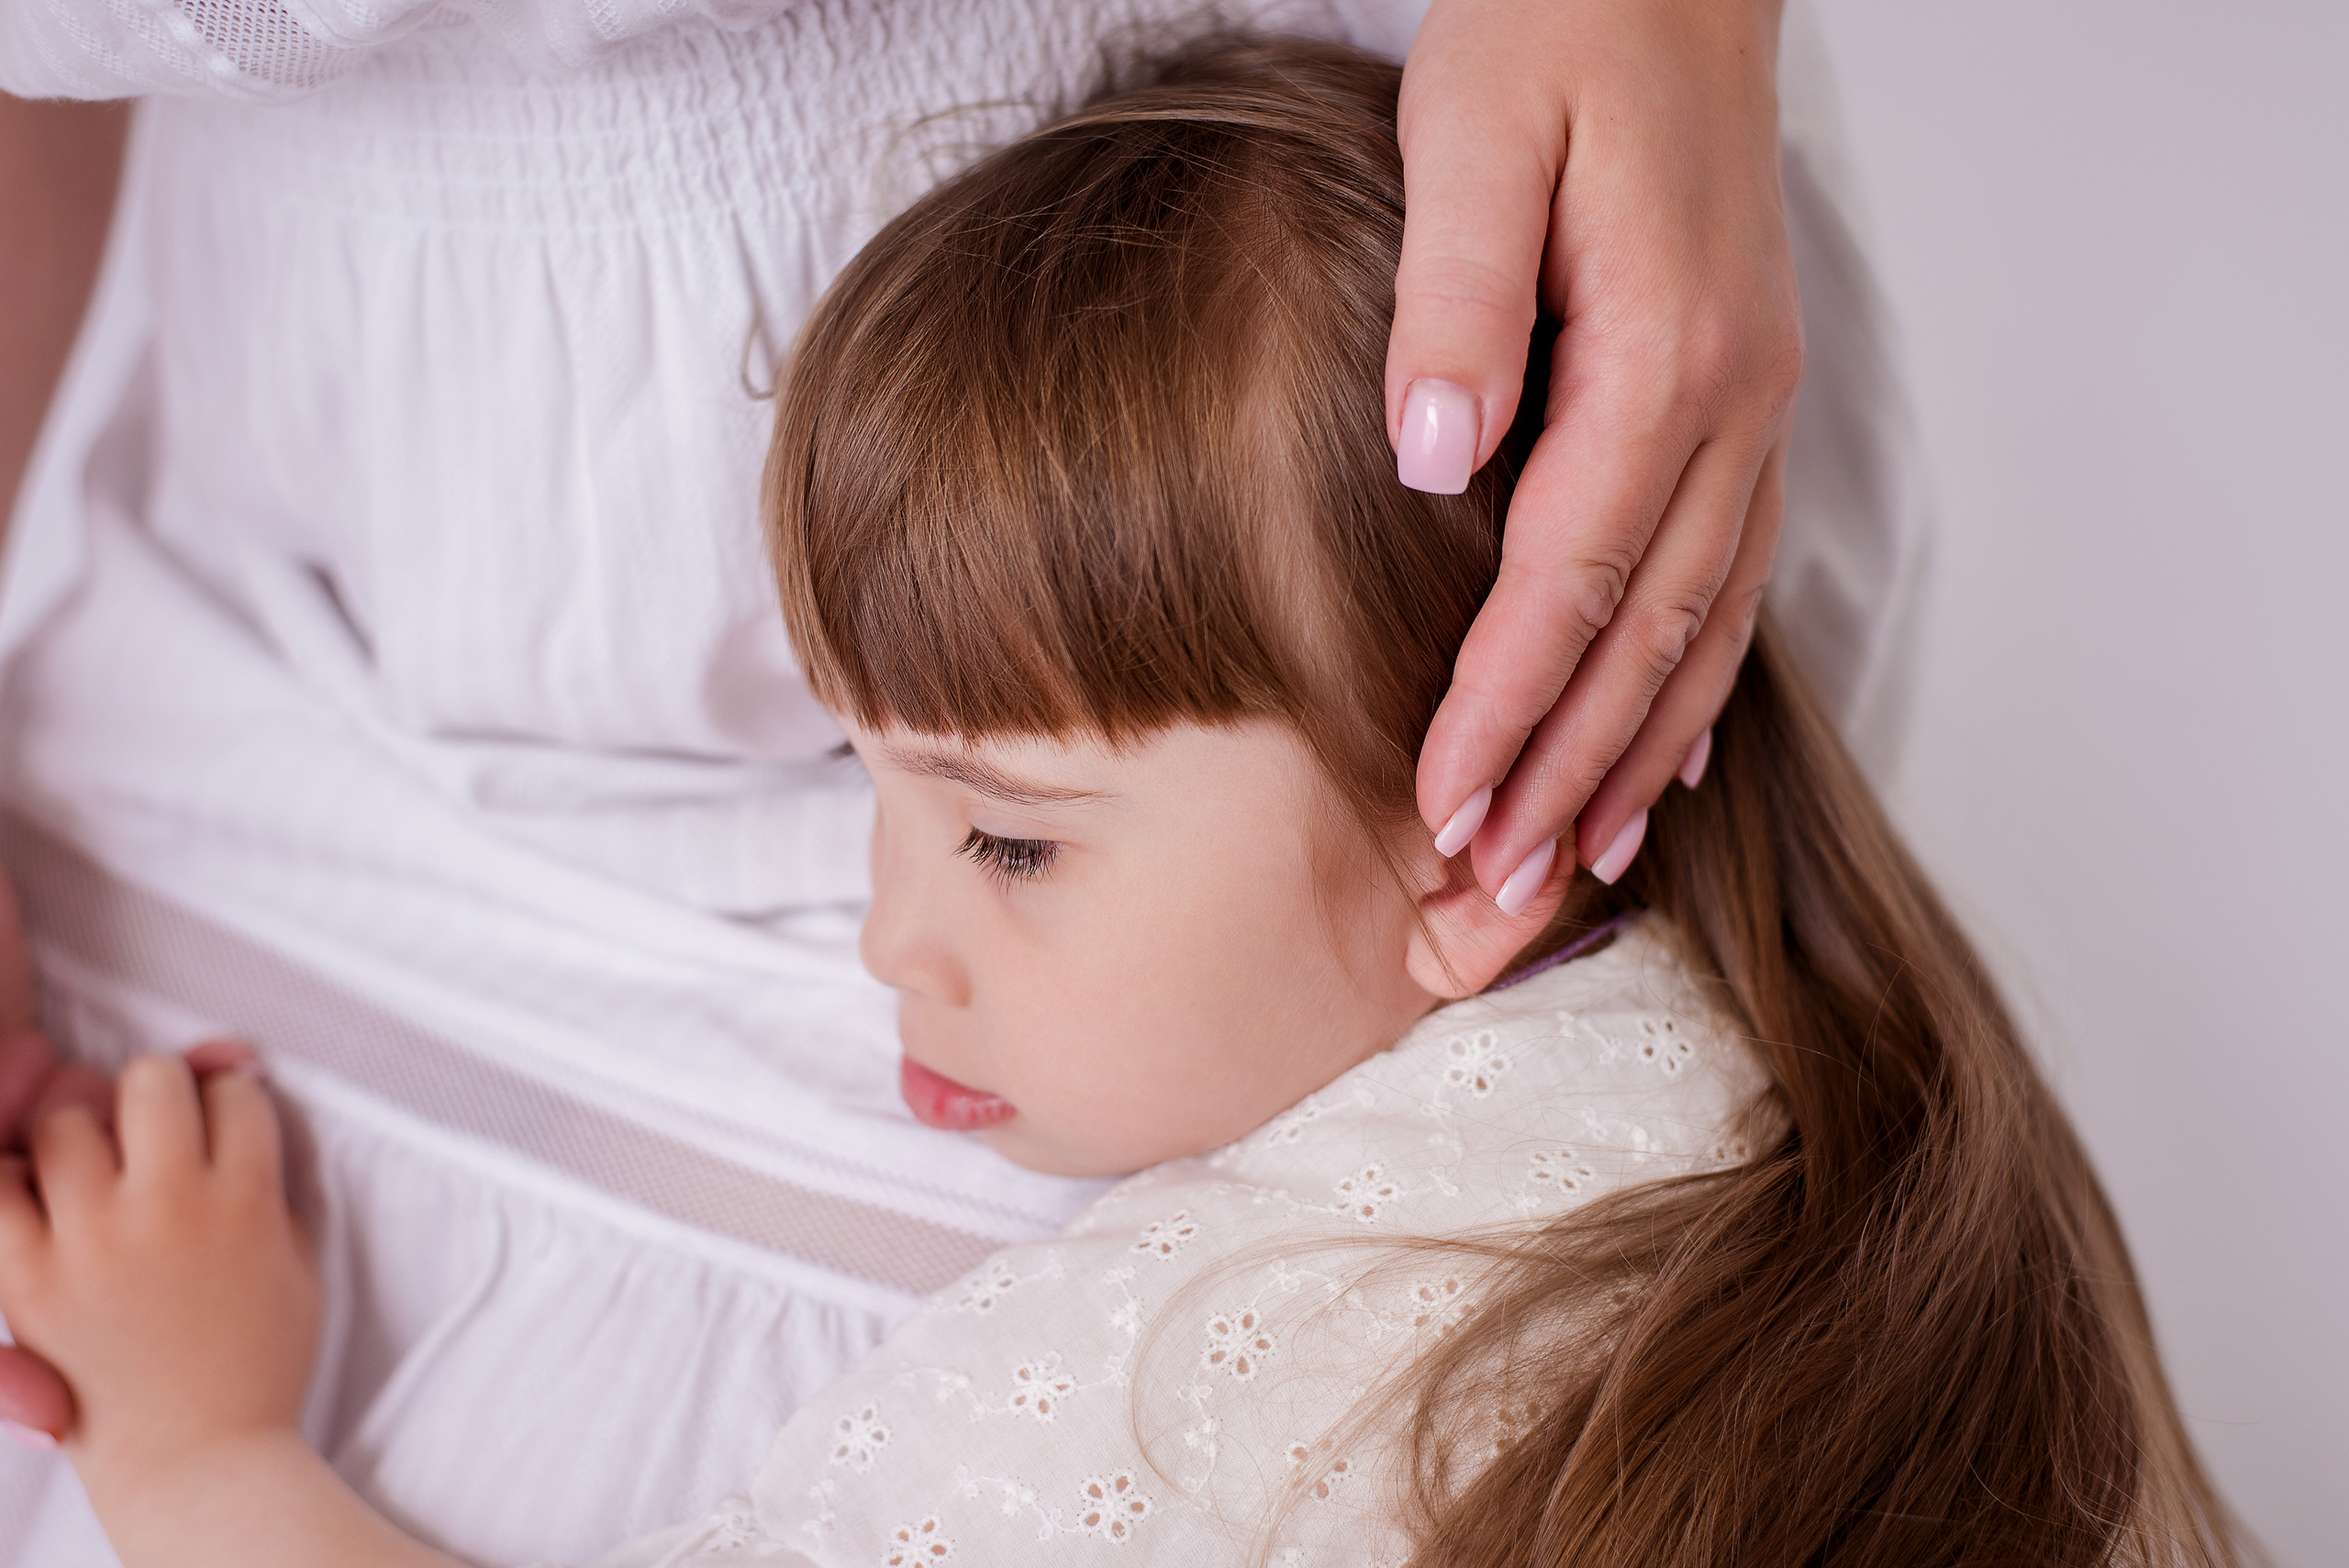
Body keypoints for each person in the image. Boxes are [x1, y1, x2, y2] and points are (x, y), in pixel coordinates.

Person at [0, 41, 2236, 1567]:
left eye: (1002, 840)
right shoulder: (1736, 1130)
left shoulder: (1218, 1398)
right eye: (863, 784)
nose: (888, 932)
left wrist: (199, 1451)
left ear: (1480, 840)